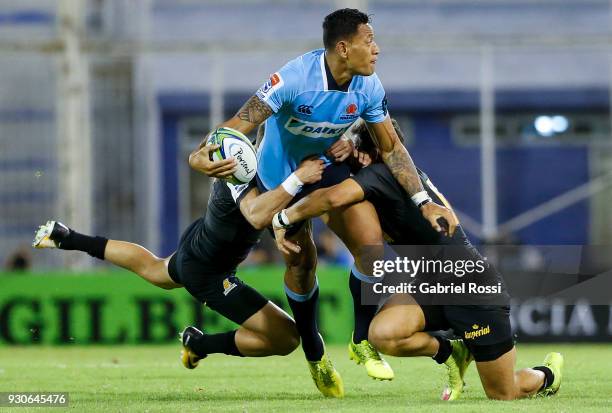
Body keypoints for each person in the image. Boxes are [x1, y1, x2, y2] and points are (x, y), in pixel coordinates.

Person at [187, 8, 457, 397]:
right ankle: (314, 352)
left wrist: (422, 201)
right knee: (302, 262)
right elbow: (235, 126)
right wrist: (199, 156)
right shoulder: (293, 79)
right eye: (370, 42)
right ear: (344, 48)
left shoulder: (369, 86)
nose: (377, 49)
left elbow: (391, 146)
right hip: (281, 176)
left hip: (326, 164)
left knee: (370, 244)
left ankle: (361, 340)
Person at [271, 120, 564, 401]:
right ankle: (453, 351)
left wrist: (284, 216)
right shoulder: (396, 176)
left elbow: (331, 198)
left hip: (470, 287)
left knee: (503, 393)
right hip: (432, 282)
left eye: (351, 143)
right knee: (384, 334)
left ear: (364, 151)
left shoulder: (381, 174)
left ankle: (547, 374)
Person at [32, 159, 324, 371]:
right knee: (286, 338)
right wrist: (298, 178)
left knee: (153, 269)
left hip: (199, 244)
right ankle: (200, 345)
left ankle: (68, 237)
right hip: (210, 273)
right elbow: (260, 214)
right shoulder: (246, 175)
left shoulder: (250, 162)